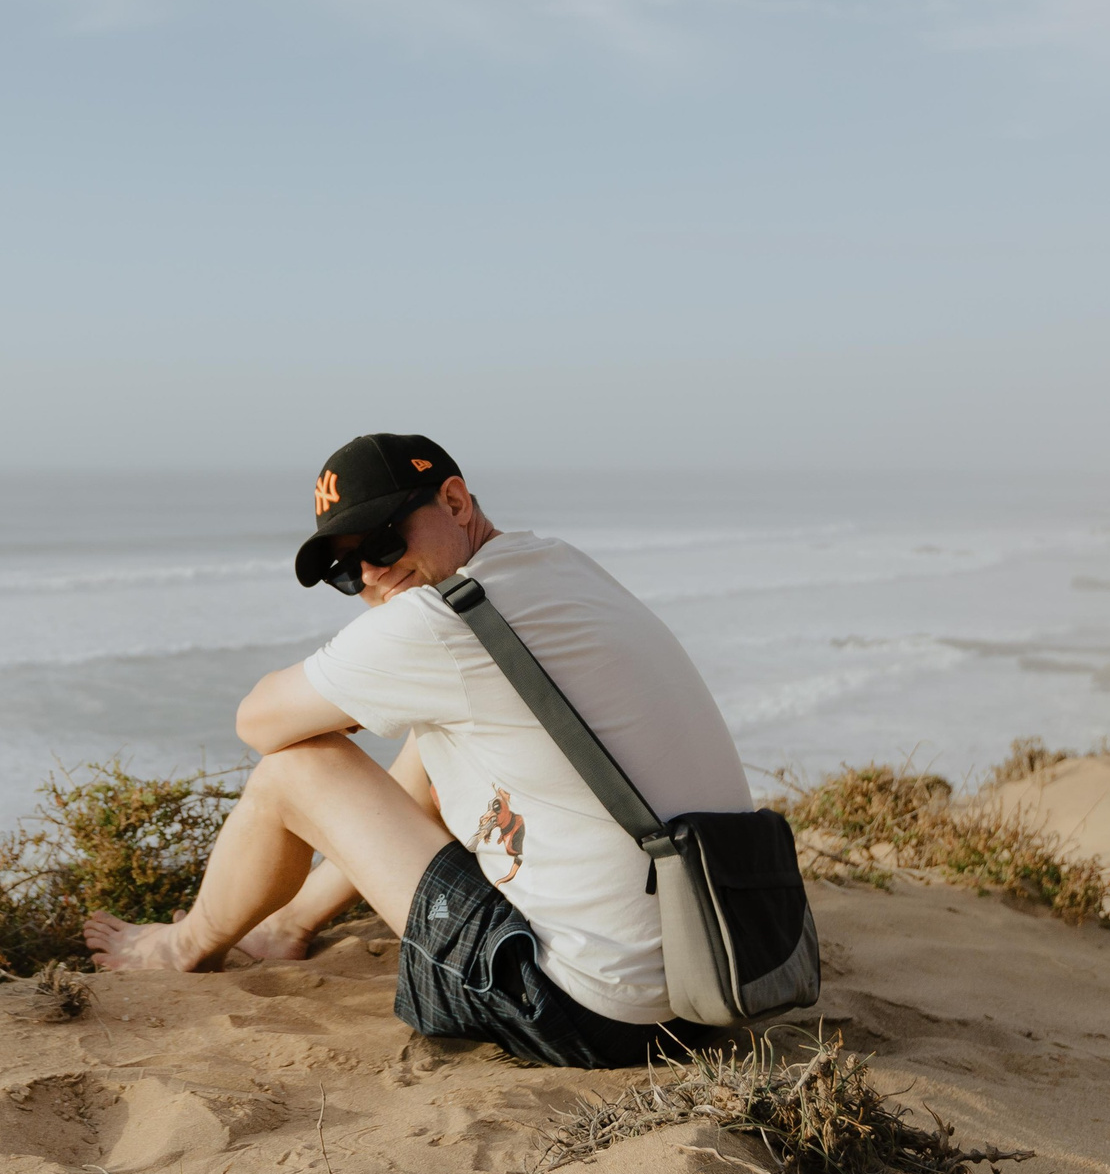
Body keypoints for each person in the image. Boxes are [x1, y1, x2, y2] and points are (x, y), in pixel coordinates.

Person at [84, 433, 751, 1067]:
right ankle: (291, 921)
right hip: (723, 964)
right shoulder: (555, 563)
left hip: (591, 1011)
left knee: (295, 768)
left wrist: (342, 706)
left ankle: (184, 944)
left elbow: (257, 721)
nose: (372, 572)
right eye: (346, 571)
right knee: (435, 742)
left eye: (382, 538)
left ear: (455, 503)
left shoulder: (437, 620)